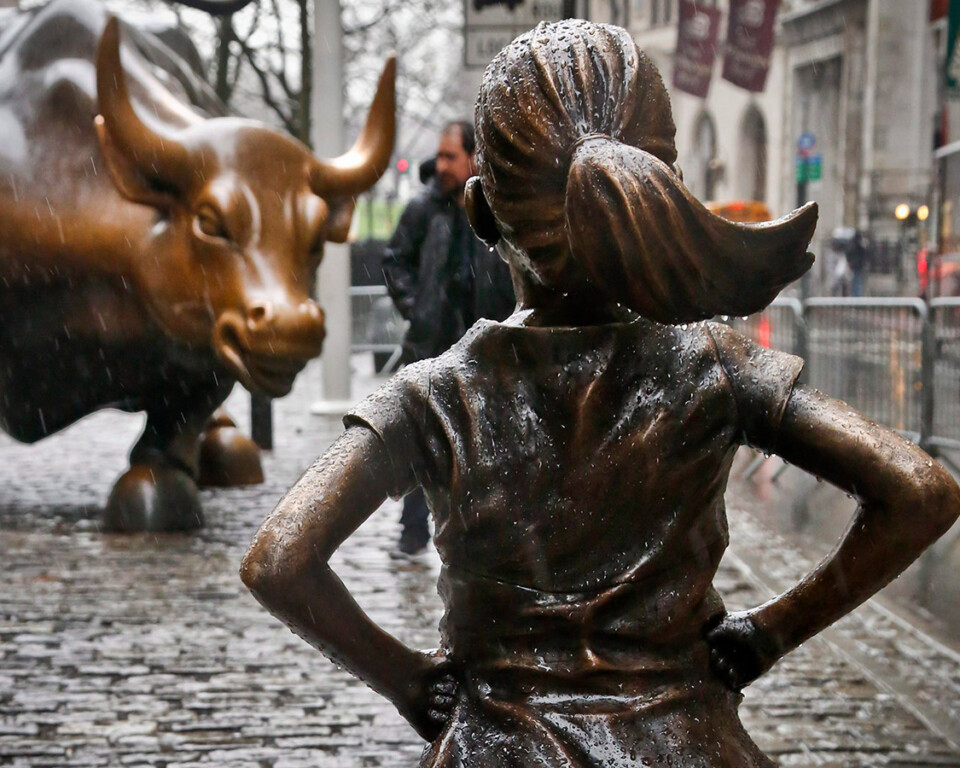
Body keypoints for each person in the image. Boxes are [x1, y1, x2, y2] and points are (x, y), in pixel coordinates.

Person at [241, 21, 960, 768]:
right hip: (689, 746)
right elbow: (920, 490)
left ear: (482, 213)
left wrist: (408, 680)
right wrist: (772, 630)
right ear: (662, 192)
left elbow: (280, 560)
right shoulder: (715, 366)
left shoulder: (436, 395)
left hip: (499, 748)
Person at [381, 120, 515, 557]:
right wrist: (416, 308)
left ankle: (482, 540)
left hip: (486, 348)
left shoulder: (498, 210)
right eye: (438, 155)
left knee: (487, 446)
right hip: (431, 346)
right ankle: (413, 533)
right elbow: (395, 259)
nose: (440, 165)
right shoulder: (424, 210)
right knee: (422, 443)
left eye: (449, 156)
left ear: (474, 157)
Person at [845, 229, 869, 296]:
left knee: (856, 282)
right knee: (857, 282)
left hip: (856, 266)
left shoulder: (852, 244)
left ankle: (856, 295)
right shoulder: (857, 244)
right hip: (857, 266)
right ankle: (856, 295)